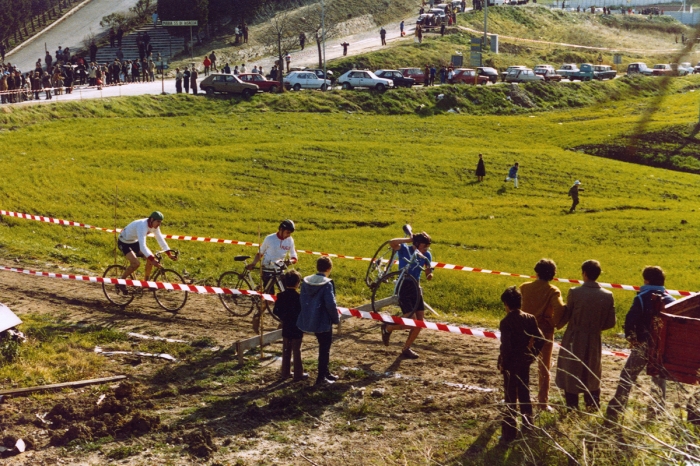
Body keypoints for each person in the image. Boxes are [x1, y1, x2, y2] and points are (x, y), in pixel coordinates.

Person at [606, 266, 675, 421]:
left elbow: (631, 320)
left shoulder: (642, 297)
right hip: (662, 347)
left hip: (644, 344)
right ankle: (656, 413)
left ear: (646, 280)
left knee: (628, 375)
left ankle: (617, 407)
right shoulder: (672, 300)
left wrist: (632, 339)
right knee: (659, 379)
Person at [554, 260, 615, 410]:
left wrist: (556, 323)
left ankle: (572, 406)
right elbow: (611, 322)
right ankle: (592, 405)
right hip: (594, 337)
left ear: (584, 274)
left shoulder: (575, 292)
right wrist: (596, 328)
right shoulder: (608, 295)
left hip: (574, 336)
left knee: (571, 369)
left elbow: (567, 314)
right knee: (592, 370)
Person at [498, 286, 545, 444]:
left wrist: (502, 363)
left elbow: (506, 347)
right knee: (524, 394)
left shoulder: (505, 322)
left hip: (511, 364)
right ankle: (528, 425)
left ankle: (509, 433)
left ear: (506, 304)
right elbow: (541, 338)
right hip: (524, 362)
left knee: (510, 397)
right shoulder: (530, 318)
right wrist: (533, 355)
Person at [380, 227, 434, 359]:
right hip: (404, 286)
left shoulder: (426, 255)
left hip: (416, 287)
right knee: (410, 322)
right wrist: (410, 238)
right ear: (415, 244)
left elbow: (428, 271)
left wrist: (429, 274)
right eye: (423, 247)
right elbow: (392, 242)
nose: (426, 250)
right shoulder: (404, 249)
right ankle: (388, 328)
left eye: (427, 247)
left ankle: (406, 348)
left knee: (419, 323)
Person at [520, 259, 565, 411]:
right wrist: (553, 323)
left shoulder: (524, 287)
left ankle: (515, 397)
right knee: (544, 368)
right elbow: (559, 310)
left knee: (520, 365)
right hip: (544, 333)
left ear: (536, 272)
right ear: (552, 274)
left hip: (524, 331)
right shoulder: (553, 291)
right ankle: (542, 403)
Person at [297, 257, 339, 386]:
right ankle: (321, 377)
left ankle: (325, 372)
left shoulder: (306, 281)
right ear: (329, 269)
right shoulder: (327, 283)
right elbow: (330, 304)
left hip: (309, 318)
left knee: (323, 347)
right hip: (323, 321)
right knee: (324, 348)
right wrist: (335, 319)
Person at [116, 212, 177, 287]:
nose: (159, 224)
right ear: (152, 219)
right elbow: (143, 246)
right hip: (124, 242)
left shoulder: (155, 227)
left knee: (150, 258)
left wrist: (169, 254)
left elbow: (160, 239)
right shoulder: (142, 225)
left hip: (134, 241)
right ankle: (120, 281)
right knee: (136, 263)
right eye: (158, 221)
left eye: (160, 222)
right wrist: (153, 260)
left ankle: (146, 282)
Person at [273, 270, 308, 381]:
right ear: (298, 283)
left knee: (286, 350)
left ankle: (285, 373)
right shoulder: (300, 297)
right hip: (297, 327)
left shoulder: (281, 295)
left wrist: (283, 318)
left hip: (286, 326)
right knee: (297, 350)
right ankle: (298, 374)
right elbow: (303, 312)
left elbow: (276, 310)